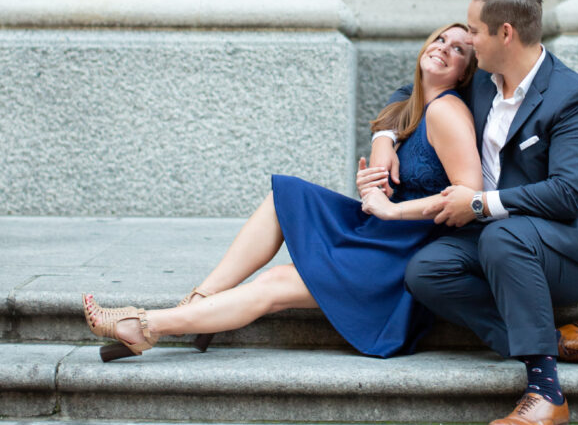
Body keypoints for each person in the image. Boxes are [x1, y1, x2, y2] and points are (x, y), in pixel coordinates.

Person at [83, 22, 481, 364]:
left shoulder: (448, 111)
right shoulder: (412, 106)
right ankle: (200, 302)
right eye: (440, 40)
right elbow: (399, 104)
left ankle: (145, 325)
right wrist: (379, 164)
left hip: (400, 252)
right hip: (378, 233)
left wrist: (391, 208)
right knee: (285, 196)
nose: (444, 49)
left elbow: (468, 193)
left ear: (466, 72)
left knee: (275, 282)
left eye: (458, 49)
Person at [370, 0, 578, 425]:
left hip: (572, 244)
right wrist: (384, 139)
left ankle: (546, 392)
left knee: (499, 236)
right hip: (502, 235)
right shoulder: (483, 83)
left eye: (474, 30)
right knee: (427, 270)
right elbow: (412, 89)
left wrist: (479, 203)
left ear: (505, 33)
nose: (467, 40)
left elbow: (569, 194)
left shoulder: (577, 97)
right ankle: (557, 338)